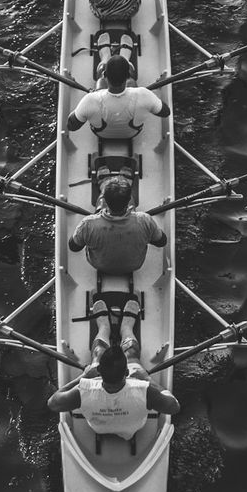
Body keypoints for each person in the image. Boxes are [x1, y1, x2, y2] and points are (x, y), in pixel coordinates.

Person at [47, 299, 180, 435]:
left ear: (99, 371)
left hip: (98, 429)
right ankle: (126, 328)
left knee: (98, 352)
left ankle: (104, 327)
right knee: (131, 354)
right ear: (127, 372)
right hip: (133, 429)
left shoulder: (84, 389)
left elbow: (53, 403)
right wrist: (146, 378)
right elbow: (174, 407)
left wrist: (84, 376)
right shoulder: (145, 390)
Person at [68, 177, 167, 274]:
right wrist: (145, 234)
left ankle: (103, 180)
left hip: (99, 265)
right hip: (135, 265)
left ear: (105, 201)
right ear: (129, 201)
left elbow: (74, 247)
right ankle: (127, 177)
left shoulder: (87, 224)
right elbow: (162, 242)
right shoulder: (145, 220)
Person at [66, 55, 170, 138]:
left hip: (101, 134)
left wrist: (90, 99)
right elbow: (166, 112)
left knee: (100, 82)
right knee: (132, 83)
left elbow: (71, 126)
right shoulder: (144, 94)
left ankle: (105, 57)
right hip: (132, 134)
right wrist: (149, 100)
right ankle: (125, 56)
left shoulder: (90, 100)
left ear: (105, 75)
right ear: (128, 75)